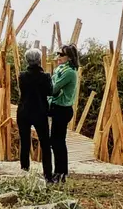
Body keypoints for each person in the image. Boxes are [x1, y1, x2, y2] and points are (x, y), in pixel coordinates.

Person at [16, 48, 53, 176]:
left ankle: (24, 170)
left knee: (25, 141)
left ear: (27, 60)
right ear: (39, 60)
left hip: (24, 111)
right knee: (45, 143)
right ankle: (48, 173)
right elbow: (50, 92)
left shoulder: (22, 75)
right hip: (40, 111)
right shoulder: (45, 76)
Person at [47, 44, 80, 184]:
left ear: (69, 58)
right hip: (57, 107)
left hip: (62, 109)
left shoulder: (69, 72)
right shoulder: (61, 69)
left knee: (58, 142)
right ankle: (59, 171)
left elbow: (53, 89)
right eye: (58, 53)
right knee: (56, 141)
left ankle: (61, 172)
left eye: (61, 54)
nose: (58, 56)